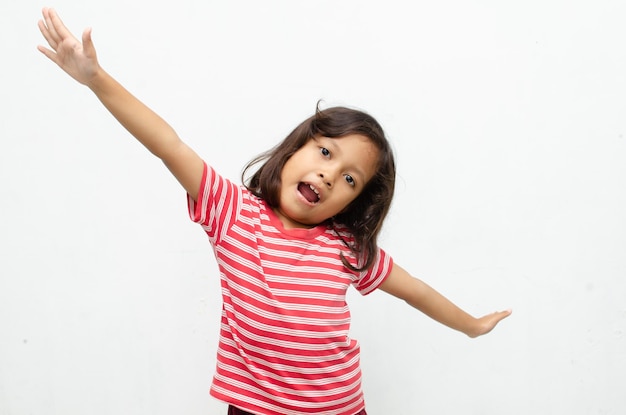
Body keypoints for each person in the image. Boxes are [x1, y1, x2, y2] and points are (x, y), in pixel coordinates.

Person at [37, 7, 511, 415]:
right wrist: (97, 80)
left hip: (339, 407)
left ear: (355, 200)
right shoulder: (233, 214)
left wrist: (470, 325)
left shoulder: (347, 249)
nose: (330, 175)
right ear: (296, 148)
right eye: (325, 153)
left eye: (349, 179)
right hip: (253, 406)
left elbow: (416, 292)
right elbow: (169, 144)